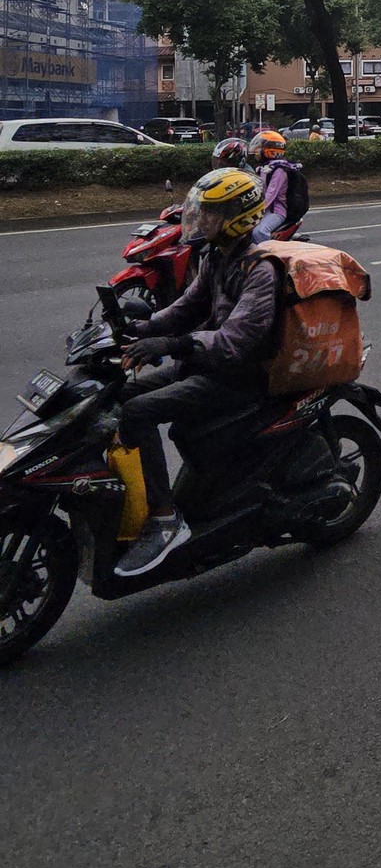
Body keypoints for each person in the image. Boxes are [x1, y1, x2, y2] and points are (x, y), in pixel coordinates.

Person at [115, 167, 275, 577]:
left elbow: (235, 341)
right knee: (117, 395)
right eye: (200, 212)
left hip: (235, 377)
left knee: (137, 412)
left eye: (211, 213)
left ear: (240, 216)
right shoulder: (216, 255)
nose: (201, 221)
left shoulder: (261, 268)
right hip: (204, 365)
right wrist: (141, 328)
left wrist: (172, 345)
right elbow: (186, 308)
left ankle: (165, 518)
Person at [248, 128, 294, 241]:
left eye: (259, 147)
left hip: (276, 211)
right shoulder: (262, 168)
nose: (256, 150)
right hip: (263, 209)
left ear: (271, 150)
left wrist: (254, 210)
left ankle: (265, 256)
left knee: (259, 232)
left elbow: (271, 194)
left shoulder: (279, 170)